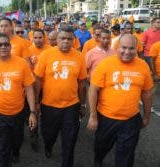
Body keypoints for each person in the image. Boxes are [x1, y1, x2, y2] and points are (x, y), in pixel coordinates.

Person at [87, 34, 153, 167]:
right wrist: (93, 116)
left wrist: (146, 116)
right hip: (106, 118)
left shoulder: (143, 66)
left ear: (136, 49)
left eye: (131, 48)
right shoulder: (105, 64)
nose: (127, 52)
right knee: (101, 147)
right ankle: (98, 159)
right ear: (117, 47)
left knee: (126, 155)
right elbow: (93, 90)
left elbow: (146, 93)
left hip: (131, 120)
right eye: (124, 48)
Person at [0, 33, 37, 167]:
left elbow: (29, 88)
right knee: (2, 146)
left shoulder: (22, 63)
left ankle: (15, 151)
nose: (3, 47)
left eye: (6, 44)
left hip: (18, 112)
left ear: (10, 46)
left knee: (17, 141)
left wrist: (33, 112)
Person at [34, 27, 87, 167]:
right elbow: (38, 80)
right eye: (62, 38)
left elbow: (82, 84)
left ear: (73, 41)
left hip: (71, 106)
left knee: (69, 141)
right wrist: (35, 103)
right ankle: (48, 146)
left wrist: (83, 105)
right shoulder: (46, 55)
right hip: (49, 105)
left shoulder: (79, 57)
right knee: (48, 135)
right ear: (56, 40)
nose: (66, 41)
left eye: (69, 39)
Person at [149, 41, 160, 116]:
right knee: (152, 91)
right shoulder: (156, 46)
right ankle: (149, 106)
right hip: (157, 74)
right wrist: (155, 74)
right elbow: (151, 61)